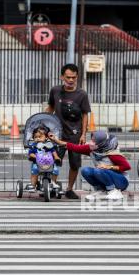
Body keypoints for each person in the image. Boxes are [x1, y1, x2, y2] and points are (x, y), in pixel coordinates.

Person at [46, 64, 91, 199]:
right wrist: (42, 121)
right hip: (57, 133)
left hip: (75, 135)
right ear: (62, 77)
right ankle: (52, 186)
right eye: (68, 77)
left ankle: (69, 189)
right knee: (54, 160)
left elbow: (85, 115)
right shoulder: (55, 91)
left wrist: (83, 134)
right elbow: (50, 107)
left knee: (75, 163)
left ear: (77, 77)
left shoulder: (82, 94)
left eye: (74, 77)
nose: (71, 80)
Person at [49, 130, 131, 200]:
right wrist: (56, 140)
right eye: (92, 140)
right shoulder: (93, 149)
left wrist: (109, 167)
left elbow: (127, 166)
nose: (91, 142)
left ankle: (114, 191)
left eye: (94, 141)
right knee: (85, 170)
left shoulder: (112, 153)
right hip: (104, 173)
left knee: (99, 171)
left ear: (101, 143)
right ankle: (101, 190)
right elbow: (74, 147)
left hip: (121, 181)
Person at [27, 126, 61, 192]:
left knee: (55, 170)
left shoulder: (49, 145)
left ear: (46, 137)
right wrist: (35, 156)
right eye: (35, 137)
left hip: (49, 162)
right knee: (34, 170)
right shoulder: (34, 145)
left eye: (40, 137)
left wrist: (56, 157)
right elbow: (30, 153)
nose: (38, 139)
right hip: (38, 163)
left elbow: (53, 151)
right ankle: (33, 185)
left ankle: (53, 182)